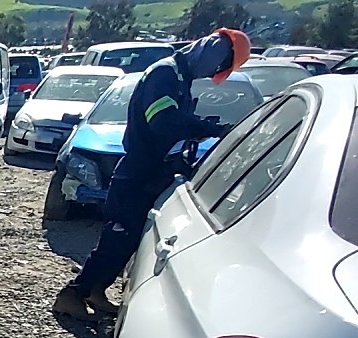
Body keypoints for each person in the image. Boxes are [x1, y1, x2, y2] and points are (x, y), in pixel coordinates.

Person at [52, 28, 251, 321]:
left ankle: (96, 292)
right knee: (117, 239)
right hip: (136, 175)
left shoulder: (179, 79)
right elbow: (162, 122)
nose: (214, 74)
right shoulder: (165, 75)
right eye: (219, 67)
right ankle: (72, 294)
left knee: (128, 241)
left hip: (147, 174)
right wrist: (204, 128)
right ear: (213, 52)